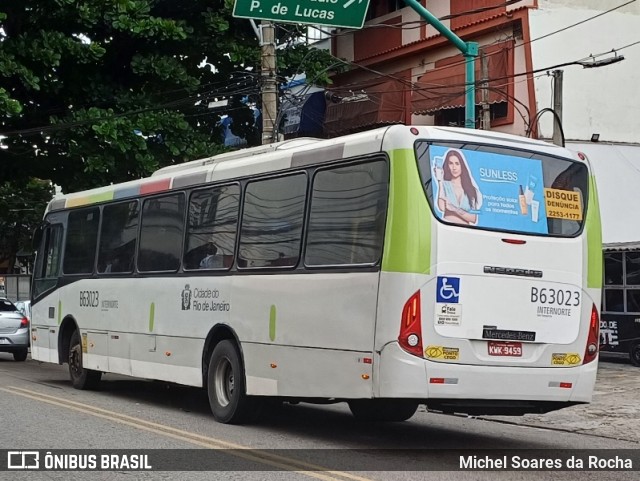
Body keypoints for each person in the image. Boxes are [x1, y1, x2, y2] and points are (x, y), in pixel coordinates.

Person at [436, 149, 482, 225]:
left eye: (457, 163)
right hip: (447, 227)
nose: (454, 167)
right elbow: (442, 208)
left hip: (465, 231)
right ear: (447, 166)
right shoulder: (444, 185)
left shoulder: (471, 189)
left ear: (462, 165)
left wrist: (454, 209)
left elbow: (473, 218)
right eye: (451, 163)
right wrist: (440, 181)